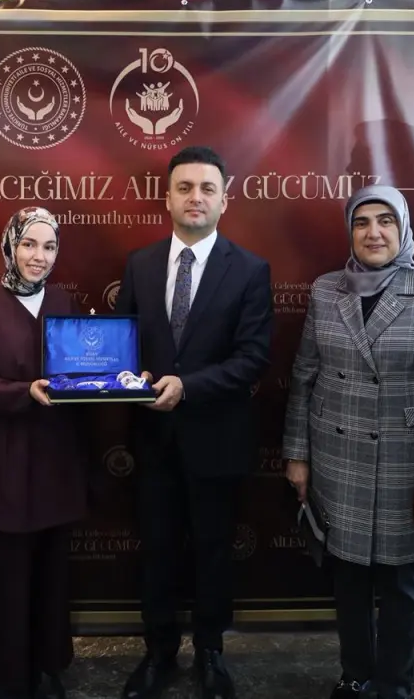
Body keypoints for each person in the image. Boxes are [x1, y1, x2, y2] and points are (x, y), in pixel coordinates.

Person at [282, 185, 414, 699]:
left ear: (403, 228)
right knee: (347, 578)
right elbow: (303, 376)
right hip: (336, 458)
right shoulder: (327, 290)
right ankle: (355, 674)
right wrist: (297, 454)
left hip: (406, 466)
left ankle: (393, 684)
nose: (373, 232)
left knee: (400, 584)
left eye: (385, 221)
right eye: (361, 222)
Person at [114, 145, 273, 699]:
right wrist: (127, 377)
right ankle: (158, 653)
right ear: (167, 198)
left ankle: (210, 653)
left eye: (208, 188)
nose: (196, 197)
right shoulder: (138, 264)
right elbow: (124, 344)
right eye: (185, 187)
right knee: (156, 552)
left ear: (225, 200)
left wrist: (188, 387)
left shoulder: (250, 269)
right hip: (153, 441)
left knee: (213, 552)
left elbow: (253, 358)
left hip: (217, 440)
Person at [0, 207, 85, 699]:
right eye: (29, 244)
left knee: (53, 578)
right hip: (6, 463)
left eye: (49, 247)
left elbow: (82, 375)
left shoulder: (64, 302)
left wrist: (115, 380)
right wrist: (22, 392)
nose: (39, 256)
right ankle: (12, 679)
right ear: (10, 246)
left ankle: (50, 668)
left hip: (56, 461)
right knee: (9, 582)